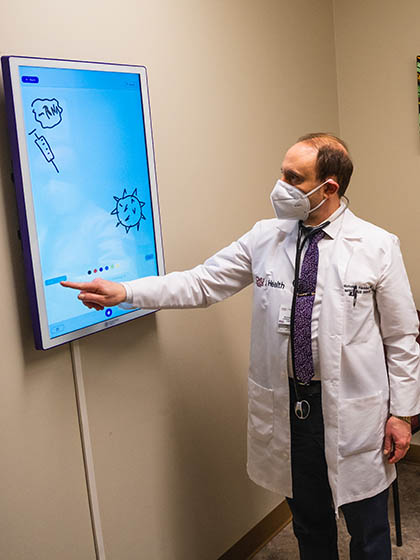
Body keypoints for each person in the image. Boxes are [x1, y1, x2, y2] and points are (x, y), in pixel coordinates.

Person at [62, 133, 420, 559]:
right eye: (282, 172)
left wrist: (402, 413)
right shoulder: (264, 237)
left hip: (354, 409)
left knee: (368, 531)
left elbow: (401, 338)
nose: (280, 184)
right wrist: (126, 290)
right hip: (292, 409)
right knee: (310, 525)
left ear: (329, 188)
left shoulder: (377, 246)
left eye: (293, 177)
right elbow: (201, 282)